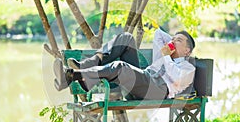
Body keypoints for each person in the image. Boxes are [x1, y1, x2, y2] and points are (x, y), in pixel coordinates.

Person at [53, 28, 196, 100]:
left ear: (187, 51)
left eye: (178, 41)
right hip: (144, 78)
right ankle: (85, 66)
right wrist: (172, 41)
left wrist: (166, 56)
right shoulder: (165, 54)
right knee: (126, 38)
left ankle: (72, 75)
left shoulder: (188, 68)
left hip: (157, 90)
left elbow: (176, 79)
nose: (172, 42)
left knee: (121, 67)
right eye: (173, 39)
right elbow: (158, 33)